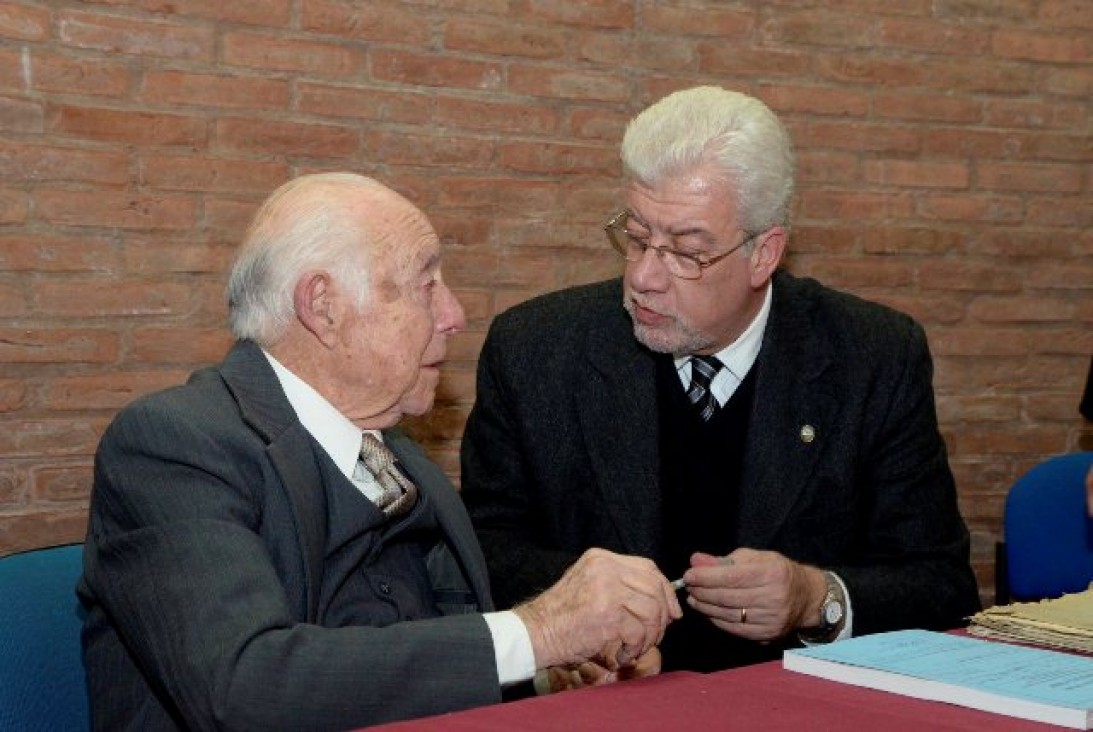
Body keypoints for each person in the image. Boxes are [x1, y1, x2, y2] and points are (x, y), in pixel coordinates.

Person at [77, 173, 681, 731]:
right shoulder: (172, 446)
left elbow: (424, 657)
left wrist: (547, 671)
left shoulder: (402, 459)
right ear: (323, 307)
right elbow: (245, 685)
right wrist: (540, 631)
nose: (454, 315)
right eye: (426, 285)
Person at [460, 86, 981, 673]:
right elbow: (477, 555)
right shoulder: (535, 349)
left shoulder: (873, 357)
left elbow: (942, 586)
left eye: (687, 252)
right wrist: (585, 607)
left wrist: (817, 598)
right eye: (635, 238)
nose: (644, 277)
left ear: (764, 254)